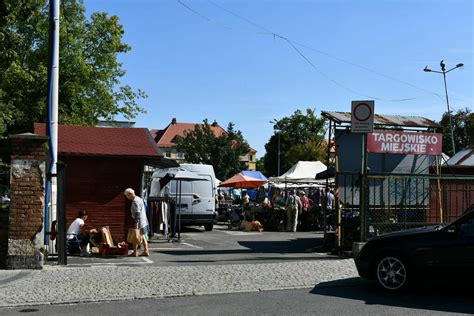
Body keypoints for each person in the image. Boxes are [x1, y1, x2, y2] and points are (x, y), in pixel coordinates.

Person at [124, 188, 150, 257]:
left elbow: (137, 212)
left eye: (127, 195)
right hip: (143, 220)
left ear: (130, 194)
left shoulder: (135, 201)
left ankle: (135, 252)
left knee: (135, 236)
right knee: (142, 235)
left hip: (139, 221)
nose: (127, 197)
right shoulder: (139, 199)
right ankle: (146, 250)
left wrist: (136, 223)